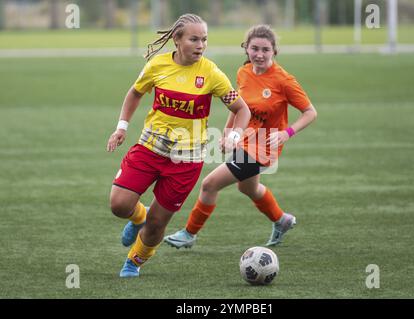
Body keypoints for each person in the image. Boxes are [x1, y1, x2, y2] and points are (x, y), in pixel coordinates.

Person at [107, 14, 251, 278]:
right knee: (119, 205)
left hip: (186, 161)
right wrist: (122, 128)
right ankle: (139, 216)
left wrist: (234, 135)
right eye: (194, 39)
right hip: (149, 148)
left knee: (157, 224)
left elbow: (242, 109)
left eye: (204, 39)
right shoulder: (157, 65)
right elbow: (135, 92)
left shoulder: (211, 73)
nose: (201, 45)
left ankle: (133, 262)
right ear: (177, 40)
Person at [164, 24, 317, 249]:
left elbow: (310, 112)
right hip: (244, 142)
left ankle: (189, 234)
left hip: (263, 148)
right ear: (246, 49)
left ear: (275, 51)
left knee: (209, 185)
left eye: (266, 49)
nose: (259, 54)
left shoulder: (283, 81)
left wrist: (287, 133)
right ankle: (281, 220)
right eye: (254, 48)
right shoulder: (243, 72)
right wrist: (228, 134)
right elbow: (237, 107)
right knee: (247, 188)